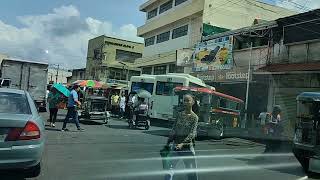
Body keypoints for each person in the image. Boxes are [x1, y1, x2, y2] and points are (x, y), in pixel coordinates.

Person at [165, 94, 199, 180]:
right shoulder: (179, 114)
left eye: (188, 100)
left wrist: (182, 144)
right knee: (169, 168)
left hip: (187, 147)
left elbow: (192, 133)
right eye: (184, 100)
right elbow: (174, 128)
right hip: (176, 146)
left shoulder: (194, 117)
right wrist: (169, 141)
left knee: (191, 171)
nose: (186, 102)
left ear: (193, 102)